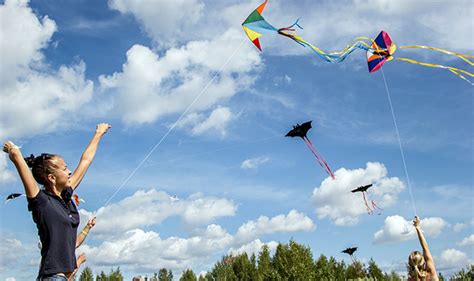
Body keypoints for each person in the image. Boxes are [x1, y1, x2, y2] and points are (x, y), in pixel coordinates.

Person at [3, 123, 111, 281]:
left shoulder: (66, 197)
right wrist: (14, 151)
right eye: (65, 168)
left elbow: (86, 161)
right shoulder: (41, 201)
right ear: (52, 178)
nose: (69, 171)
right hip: (52, 277)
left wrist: (98, 134)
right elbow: (19, 162)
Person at [408, 216, 439, 281]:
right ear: (424, 263)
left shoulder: (410, 280)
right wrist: (418, 228)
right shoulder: (431, 274)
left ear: (410, 266)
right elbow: (425, 248)